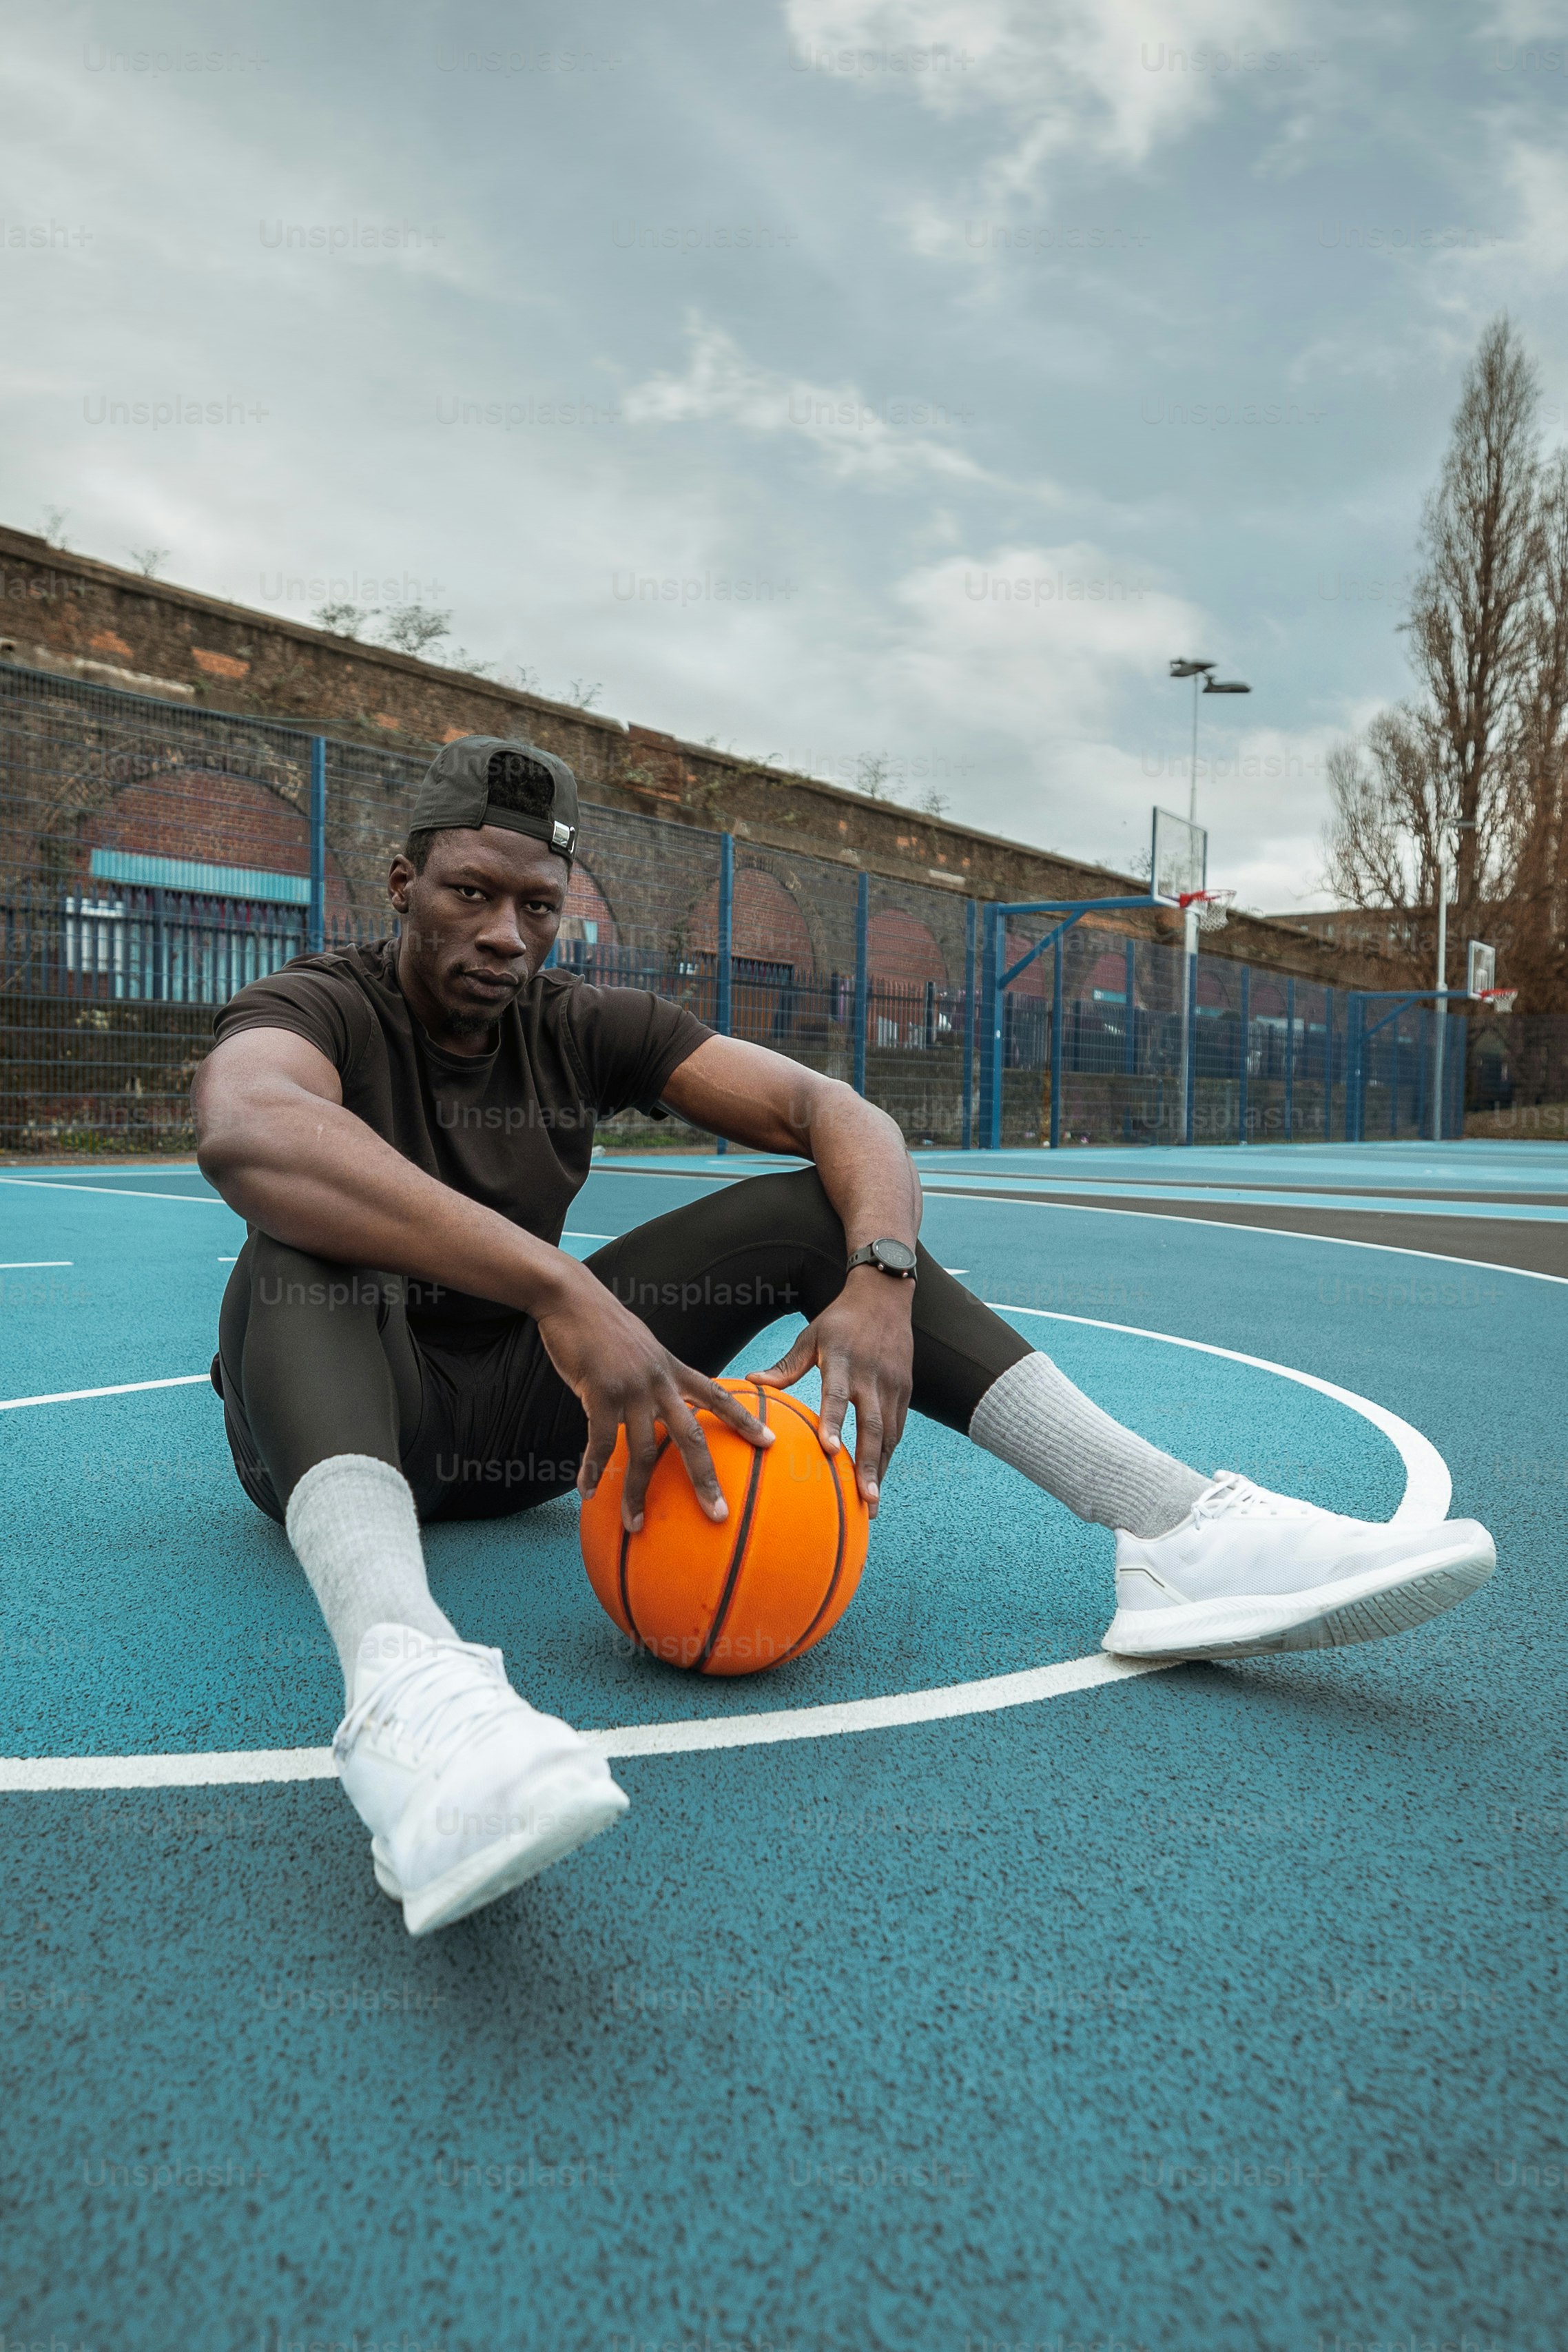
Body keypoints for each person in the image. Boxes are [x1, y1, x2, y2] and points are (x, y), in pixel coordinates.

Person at [193, 736, 1496, 1937]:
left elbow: (835, 1108)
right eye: (471, 893)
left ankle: (1172, 1532)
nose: (506, 932)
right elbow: (249, 1127)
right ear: (402, 880)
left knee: (818, 1205)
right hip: (337, 1424)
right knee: (303, 1243)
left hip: (539, 1426)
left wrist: (876, 1273)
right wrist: (562, 1289)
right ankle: (408, 1690)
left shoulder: (583, 1023)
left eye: (537, 906)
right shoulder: (320, 1004)